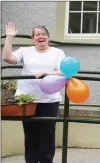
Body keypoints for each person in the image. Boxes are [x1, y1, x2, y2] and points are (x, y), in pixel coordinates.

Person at [2, 22, 66, 163]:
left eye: (43, 34)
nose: (40, 36)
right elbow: (7, 58)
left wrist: (46, 73)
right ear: (33, 39)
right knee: (30, 133)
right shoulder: (25, 51)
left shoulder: (57, 52)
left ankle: (46, 161)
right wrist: (9, 38)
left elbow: (63, 70)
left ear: (48, 37)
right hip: (27, 99)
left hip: (49, 99)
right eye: (37, 34)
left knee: (48, 133)